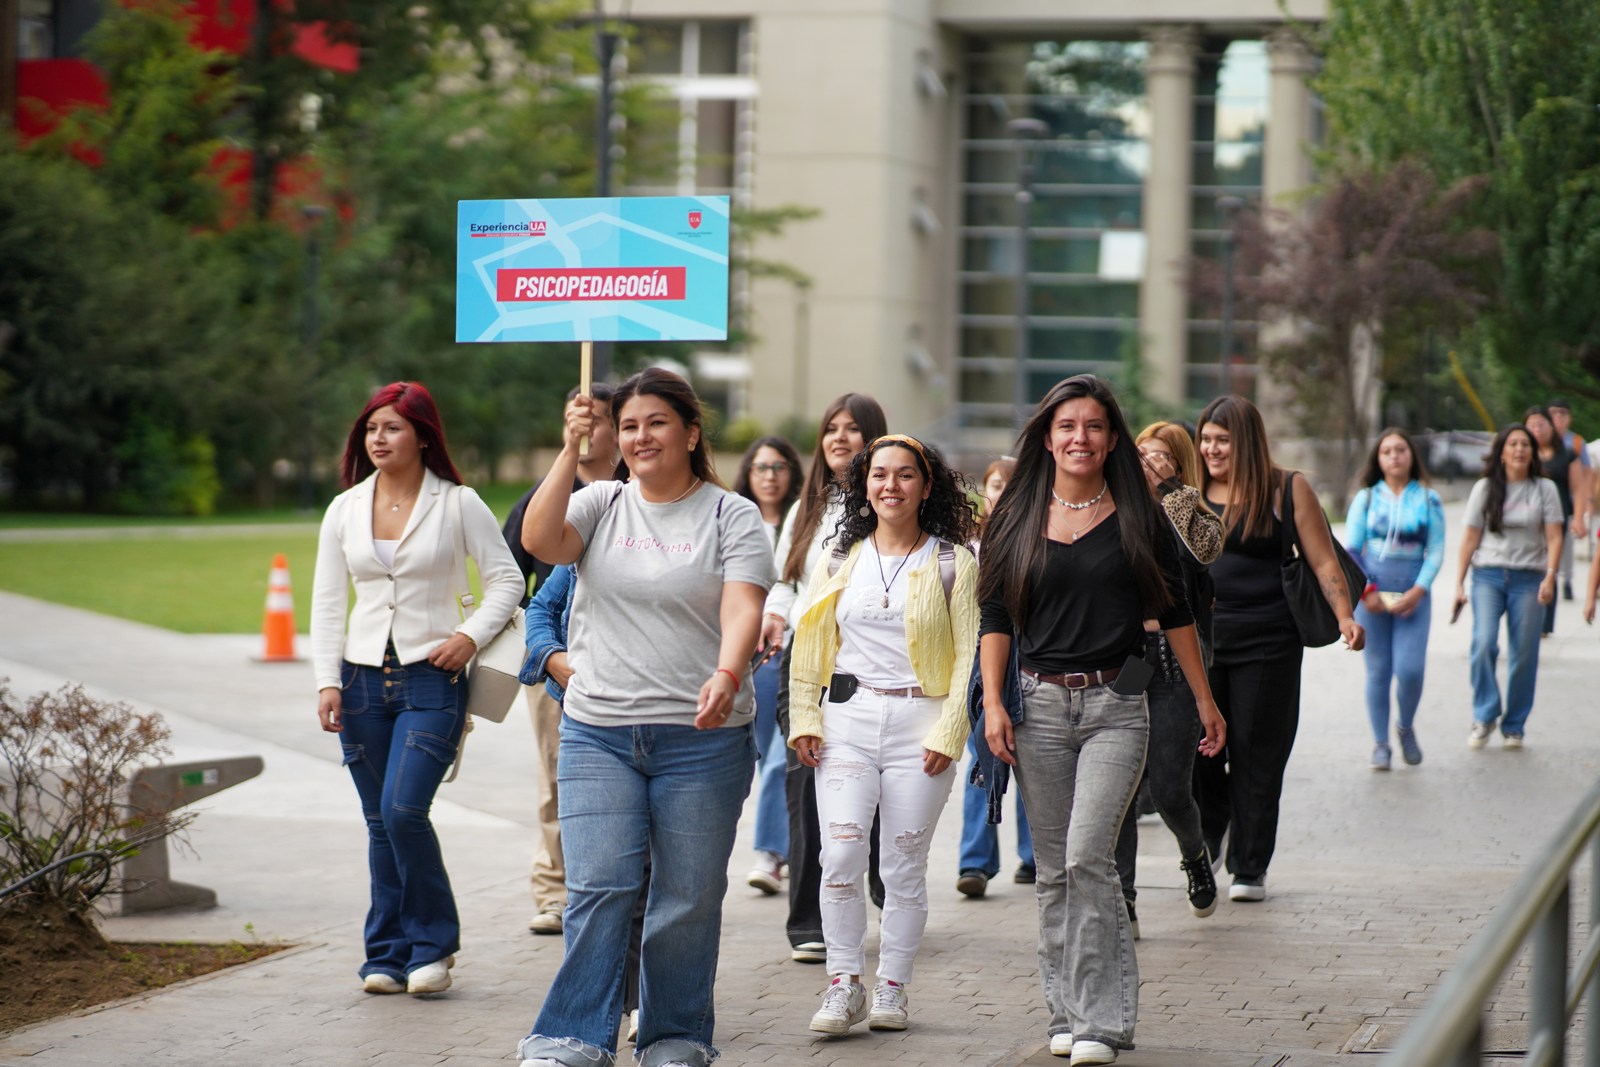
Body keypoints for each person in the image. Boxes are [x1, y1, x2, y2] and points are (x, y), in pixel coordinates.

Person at [514, 368, 774, 1067]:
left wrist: (728, 672)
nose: (640, 436)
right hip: (598, 732)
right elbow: (541, 540)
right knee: (599, 887)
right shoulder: (600, 501)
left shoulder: (731, 515)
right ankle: (571, 1035)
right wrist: (569, 449)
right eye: (627, 425)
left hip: (702, 740)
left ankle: (675, 1035)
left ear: (690, 432)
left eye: (656, 422)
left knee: (686, 897)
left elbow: (743, 607)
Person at [979, 375, 1225, 1066]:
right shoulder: (1016, 514)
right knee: (1054, 870)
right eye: (1067, 426)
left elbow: (1175, 611)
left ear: (1113, 437)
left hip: (1117, 704)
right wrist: (994, 701)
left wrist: (1205, 700)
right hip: (1038, 706)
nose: (1079, 437)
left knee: (1089, 856)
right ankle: (1066, 1012)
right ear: (1047, 437)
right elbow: (994, 615)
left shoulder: (1140, 515)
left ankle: (1103, 1021)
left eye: (1093, 426)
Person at [311, 381, 522, 996]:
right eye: (371, 429)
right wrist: (326, 681)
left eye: (393, 428)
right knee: (380, 821)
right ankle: (386, 954)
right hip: (359, 682)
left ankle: (433, 947)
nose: (378, 439)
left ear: (423, 435)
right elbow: (327, 603)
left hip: (433, 679)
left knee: (403, 812)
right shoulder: (345, 508)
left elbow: (508, 580)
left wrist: (470, 636)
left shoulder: (458, 503)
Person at [787, 434, 979, 1035]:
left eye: (905, 475)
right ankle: (843, 982)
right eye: (878, 475)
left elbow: (969, 656)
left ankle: (892, 987)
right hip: (847, 721)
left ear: (927, 486)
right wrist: (804, 717)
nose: (890, 485)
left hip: (922, 729)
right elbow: (811, 640)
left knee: (902, 865)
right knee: (841, 854)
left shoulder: (954, 562)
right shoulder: (839, 558)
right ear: (863, 487)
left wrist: (951, 729)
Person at [1194, 394, 1363, 906]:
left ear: (1246, 441)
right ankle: (1214, 825)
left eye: (1222, 440)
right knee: (1197, 750)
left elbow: (1323, 560)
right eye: (1205, 439)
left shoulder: (1286, 488)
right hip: (1200, 642)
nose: (1211, 449)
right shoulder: (1190, 492)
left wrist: (1345, 616)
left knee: (1257, 753)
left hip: (1269, 643)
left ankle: (1250, 864)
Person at [760, 393, 889, 964]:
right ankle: (808, 920)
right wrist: (775, 613)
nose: (839, 437)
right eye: (831, 428)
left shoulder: (891, 501)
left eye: (852, 429)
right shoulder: (805, 509)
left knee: (879, 781)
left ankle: (884, 880)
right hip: (806, 657)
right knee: (803, 778)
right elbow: (786, 580)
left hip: (874, 661)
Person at [501, 384, 619, 936]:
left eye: (599, 417)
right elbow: (509, 579)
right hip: (557, 667)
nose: (587, 425)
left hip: (626, 663)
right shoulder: (545, 496)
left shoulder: (638, 491)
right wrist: (545, 650)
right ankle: (554, 890)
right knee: (557, 777)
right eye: (577, 415)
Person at [1111, 421, 1226, 938]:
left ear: (1178, 465)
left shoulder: (1192, 513)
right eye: (1140, 453)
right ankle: (1125, 900)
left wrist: (1170, 491)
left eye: (1159, 456)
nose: (1146, 463)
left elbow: (1201, 555)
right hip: (1128, 658)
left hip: (1176, 658)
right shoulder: (1115, 507)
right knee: (1122, 786)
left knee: (1169, 788)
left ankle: (1195, 854)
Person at [1452, 424, 1562, 749]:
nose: (1519, 450)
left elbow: (1555, 536)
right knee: (1483, 643)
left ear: (1533, 452)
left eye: (1525, 444)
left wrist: (1550, 576)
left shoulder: (1545, 489)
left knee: (1524, 653)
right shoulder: (1485, 488)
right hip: (1488, 575)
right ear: (1501, 452)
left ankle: (1514, 724)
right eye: (1512, 444)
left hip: (1529, 578)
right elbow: (1470, 537)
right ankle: (1485, 713)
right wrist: (1458, 583)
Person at [1344, 429, 1446, 770]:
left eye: (1400, 449)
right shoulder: (1366, 498)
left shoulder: (1429, 499)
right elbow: (1352, 550)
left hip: (1413, 596)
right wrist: (1367, 592)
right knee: (1378, 671)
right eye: (1386, 451)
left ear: (1412, 455)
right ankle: (1381, 744)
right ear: (1378, 458)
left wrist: (1419, 590)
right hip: (1372, 597)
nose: (1394, 456)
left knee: (1410, 670)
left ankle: (1405, 727)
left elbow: (1436, 550)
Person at [956, 457, 1034, 898]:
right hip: (979, 657)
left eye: (1009, 484)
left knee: (1030, 756)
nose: (1001, 492)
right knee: (982, 755)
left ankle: (1034, 855)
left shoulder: (1036, 534)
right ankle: (975, 861)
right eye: (994, 484)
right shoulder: (969, 544)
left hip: (1030, 656)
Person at [731, 435, 805, 895]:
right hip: (748, 659)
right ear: (749, 473)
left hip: (792, 653)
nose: (770, 476)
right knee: (765, 760)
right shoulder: (736, 519)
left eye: (779, 467)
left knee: (782, 757)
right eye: (761, 467)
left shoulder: (803, 519)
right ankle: (791, 844)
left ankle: (770, 854)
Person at [1523, 407, 1581, 636]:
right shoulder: (1522, 453)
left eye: (1541, 424)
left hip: (1557, 518)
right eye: (1532, 425)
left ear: (1551, 426)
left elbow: (1577, 488)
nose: (1537, 430)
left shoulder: (1567, 454)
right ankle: (1526, 614)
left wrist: (1579, 517)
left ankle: (1544, 623)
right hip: (1527, 519)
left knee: (1550, 566)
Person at [1547, 398, 1592, 595]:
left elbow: (1587, 474)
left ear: (1569, 418)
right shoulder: (1541, 441)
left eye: (1562, 414)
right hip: (1545, 502)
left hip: (1568, 501)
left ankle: (1566, 579)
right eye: (1554, 413)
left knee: (1565, 543)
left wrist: (1585, 505)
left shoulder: (1576, 443)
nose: (1558, 418)